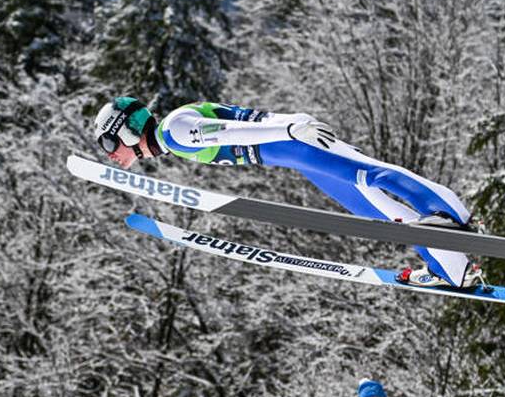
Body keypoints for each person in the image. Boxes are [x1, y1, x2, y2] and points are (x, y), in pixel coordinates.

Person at [91, 97, 483, 288]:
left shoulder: (174, 132)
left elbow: (235, 132)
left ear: (126, 130)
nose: (114, 156)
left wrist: (291, 129)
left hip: (296, 144)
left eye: (110, 146)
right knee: (376, 208)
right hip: (292, 154)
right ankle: (453, 269)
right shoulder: (172, 136)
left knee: (369, 176)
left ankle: (452, 213)